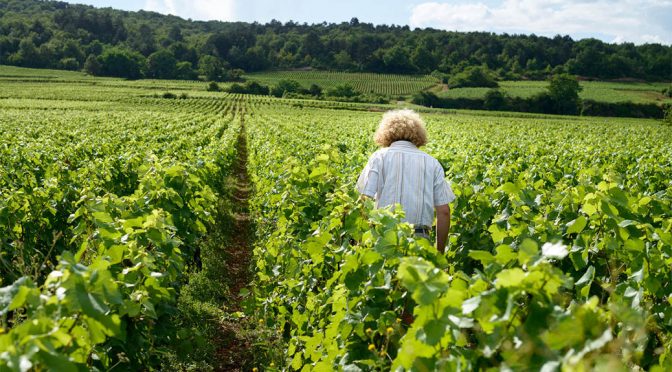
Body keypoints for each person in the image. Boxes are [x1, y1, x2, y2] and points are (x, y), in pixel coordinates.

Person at [356, 109, 455, 253]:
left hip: (384, 238)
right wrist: (439, 253)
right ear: (418, 134)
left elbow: (364, 201)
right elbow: (444, 211)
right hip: (420, 241)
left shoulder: (379, 157)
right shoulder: (432, 163)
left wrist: (360, 242)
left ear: (386, 133)